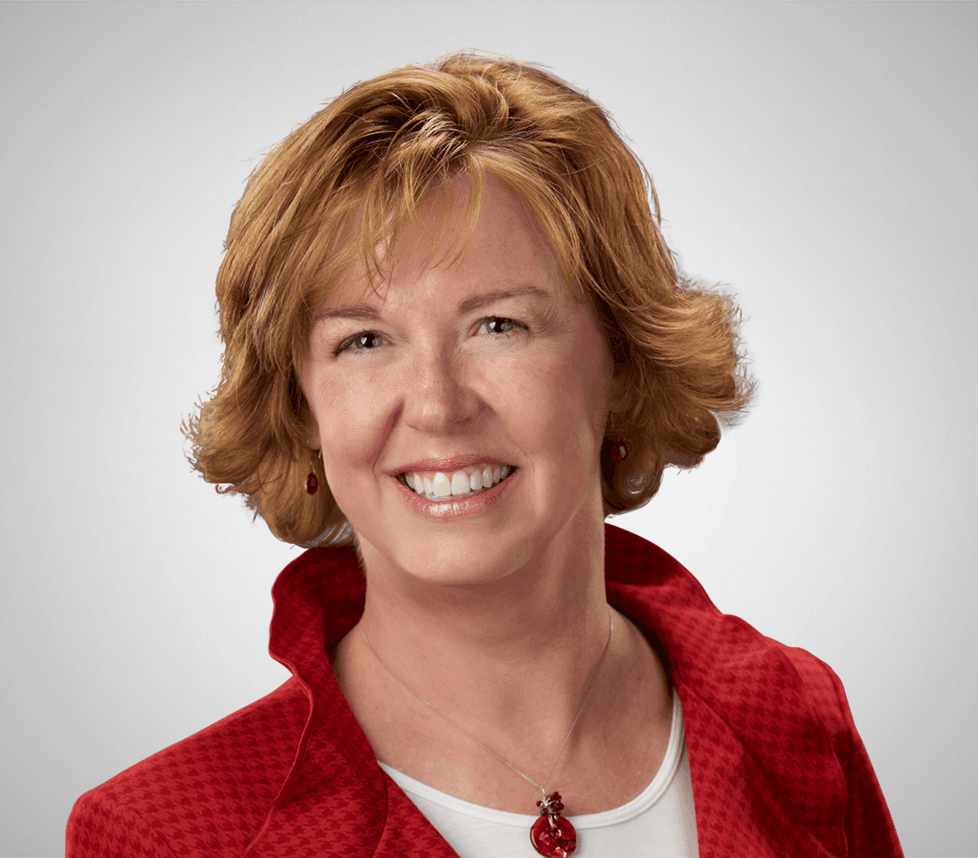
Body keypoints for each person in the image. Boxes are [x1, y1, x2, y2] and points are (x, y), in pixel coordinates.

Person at [66, 52, 903, 857]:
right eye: (363, 340)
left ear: (620, 359)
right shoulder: (168, 836)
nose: (437, 404)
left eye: (498, 326)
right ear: (302, 405)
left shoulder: (792, 718)